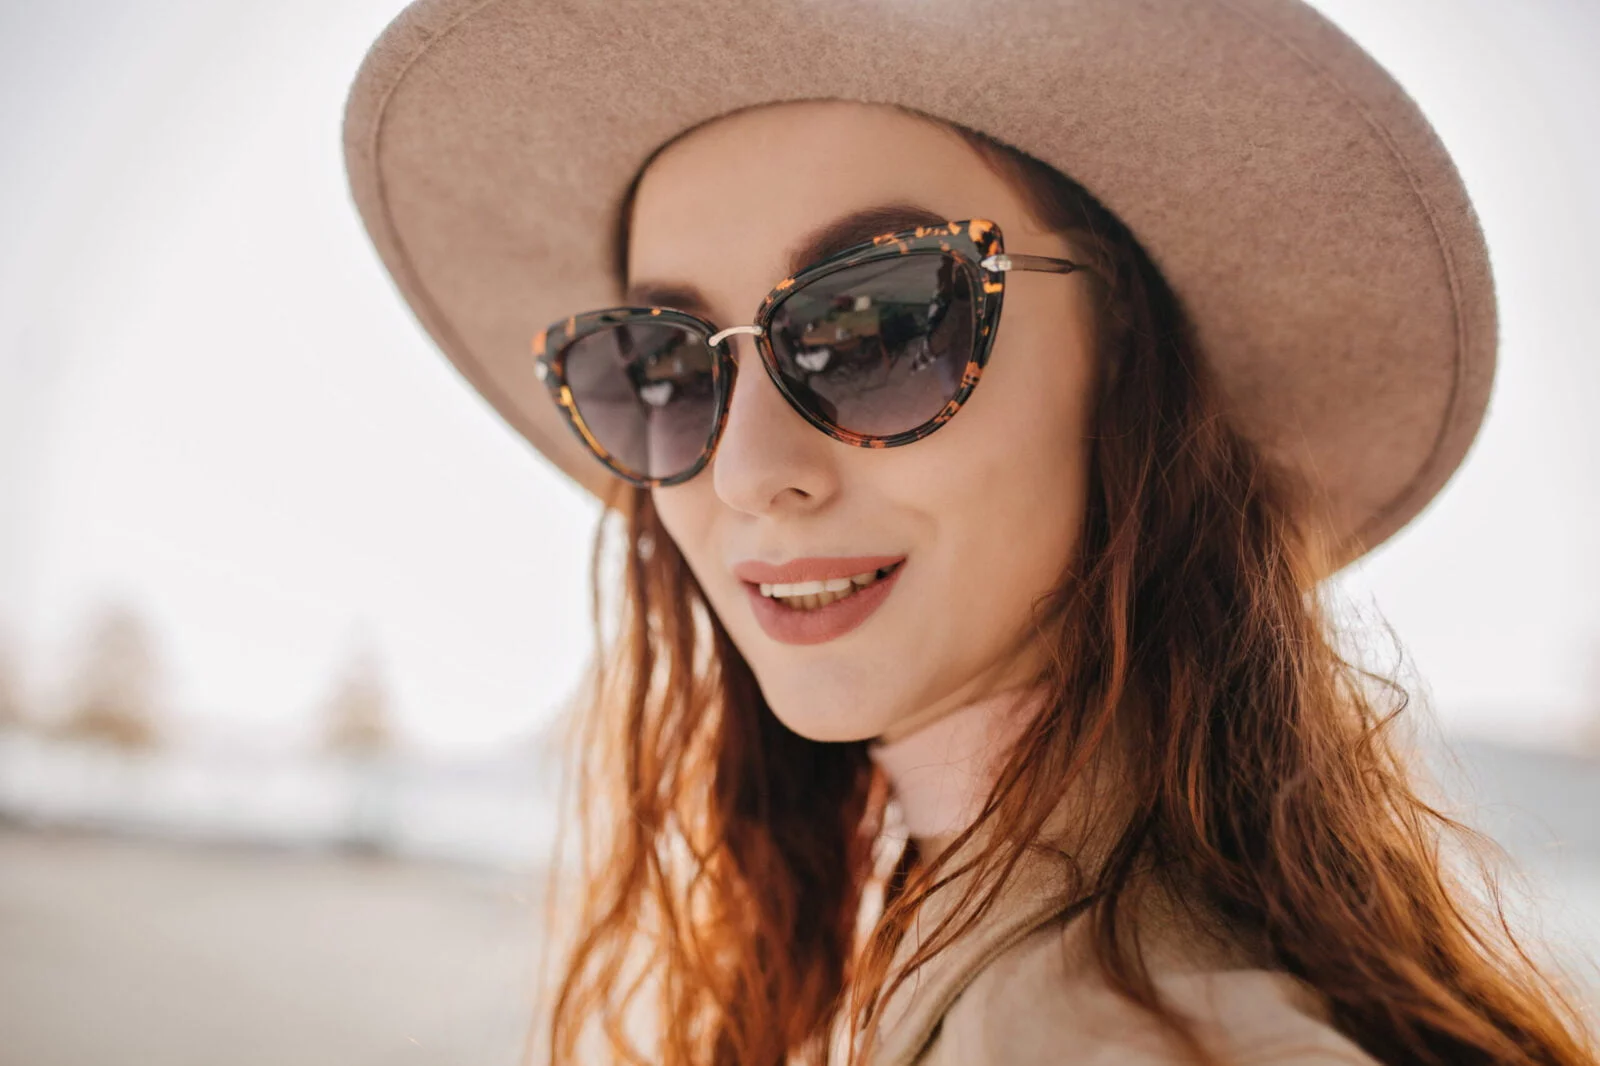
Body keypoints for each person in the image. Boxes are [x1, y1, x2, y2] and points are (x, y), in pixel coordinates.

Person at [341, 1, 1598, 1063]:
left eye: (876, 327)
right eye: (662, 369)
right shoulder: (958, 943)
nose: (745, 473)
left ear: (1126, 372)